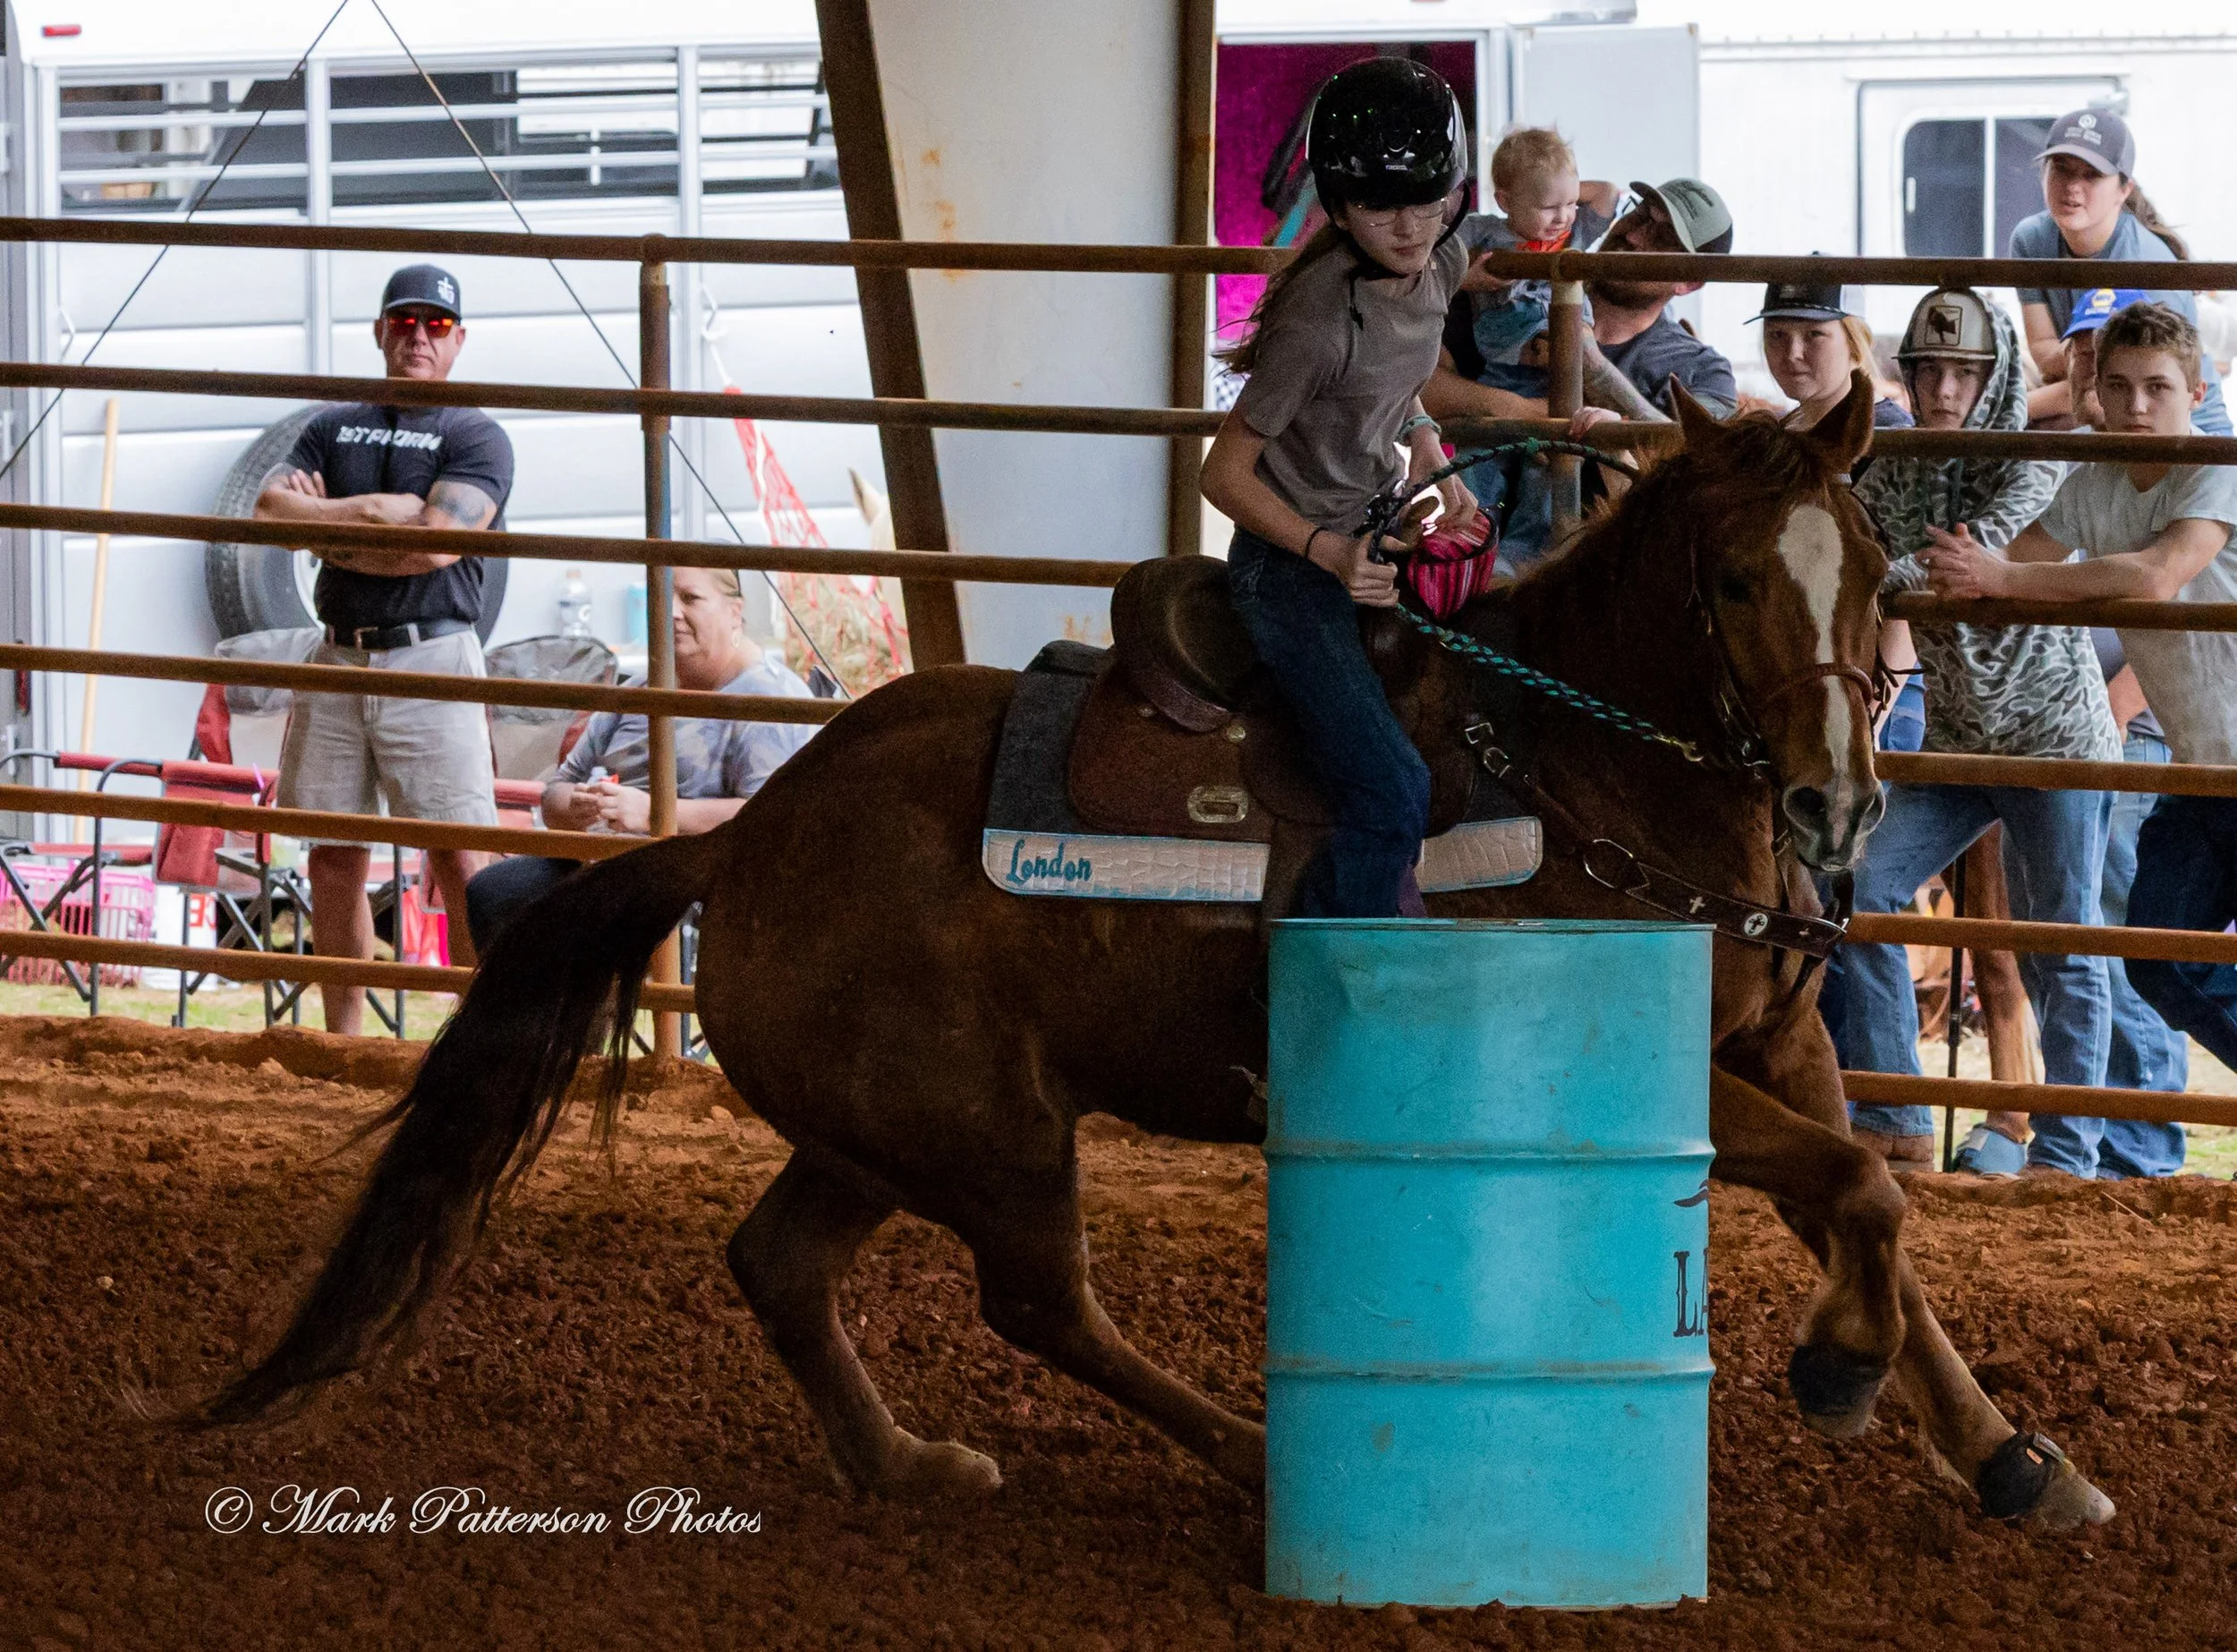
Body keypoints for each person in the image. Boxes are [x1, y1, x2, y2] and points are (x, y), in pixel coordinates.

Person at [1924, 301, 2237, 1173]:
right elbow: (2017, 556)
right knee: (2155, 956)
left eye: (2158, 388)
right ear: (2095, 389)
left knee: (2151, 950)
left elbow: (2157, 573)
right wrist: (1954, 569)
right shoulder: (2096, 483)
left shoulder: (2218, 467)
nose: (2137, 406)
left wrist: (1998, 577)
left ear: (2197, 393)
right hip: (2200, 772)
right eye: (2121, 386)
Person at [1828, 285, 2116, 1173]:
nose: (1944, 389)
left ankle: (2068, 1151)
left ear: (1996, 379)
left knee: (2060, 939)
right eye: (1927, 371)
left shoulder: (2030, 461)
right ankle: (1895, 1113)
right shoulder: (1893, 468)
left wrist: (1885, 572)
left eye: (1963, 371)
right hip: (1955, 738)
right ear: (1908, 377)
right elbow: (1860, 549)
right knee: (1859, 884)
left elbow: (1962, 566)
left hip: (2052, 737)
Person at [1197, 56, 1477, 919]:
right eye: (1382, 207)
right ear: (1341, 207)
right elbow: (1221, 473)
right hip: (1289, 566)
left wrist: (1425, 444)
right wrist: (1328, 553)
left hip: (1375, 534)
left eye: (1429, 199)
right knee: (1395, 788)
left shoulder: (1445, 259)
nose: (1411, 227)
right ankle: (1350, 973)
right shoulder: (1318, 323)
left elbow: (1397, 380)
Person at [255, 263, 512, 1035]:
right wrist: (374, 510)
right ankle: (345, 1044)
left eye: (437, 324)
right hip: (338, 654)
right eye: (404, 321)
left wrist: (323, 529)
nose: (418, 336)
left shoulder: (475, 433)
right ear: (379, 331)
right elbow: (267, 511)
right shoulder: (330, 425)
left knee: (459, 859)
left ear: (459, 340)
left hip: (432, 658)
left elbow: (437, 543)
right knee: (333, 855)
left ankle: (475, 1042)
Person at [463, 566, 817, 949]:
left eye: (691, 598)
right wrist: (578, 806)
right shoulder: (640, 690)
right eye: (662, 598)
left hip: (708, 883)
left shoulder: (772, 699)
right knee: (494, 892)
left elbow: (774, 818)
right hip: (609, 864)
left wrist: (653, 813)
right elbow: (556, 793)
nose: (672, 612)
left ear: (735, 611)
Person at [2010, 108, 2230, 436]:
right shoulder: (2031, 239)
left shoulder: (2145, 264)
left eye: (2092, 175)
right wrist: (2081, 362)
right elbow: (2044, 350)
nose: (2072, 186)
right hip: (2108, 402)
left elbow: (2123, 383)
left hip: (2178, 423)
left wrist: (2010, 411)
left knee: (2033, 429)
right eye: (2061, 168)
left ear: (2124, 189)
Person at [1752, 277, 1912, 434]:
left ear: (1854, 342)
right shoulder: (1782, 430)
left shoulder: (1892, 436)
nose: (1793, 354)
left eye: (1814, 334)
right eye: (1777, 335)